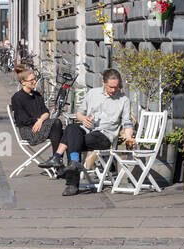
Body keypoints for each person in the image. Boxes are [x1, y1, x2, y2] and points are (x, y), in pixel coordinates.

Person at [59, 68, 136, 196]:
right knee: (72, 128)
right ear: (103, 82)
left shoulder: (123, 100)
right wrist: (83, 119)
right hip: (88, 130)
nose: (113, 90)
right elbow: (79, 113)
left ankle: (72, 182)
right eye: (110, 87)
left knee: (72, 139)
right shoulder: (92, 93)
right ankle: (74, 164)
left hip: (104, 136)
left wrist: (129, 138)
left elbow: (127, 122)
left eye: (116, 87)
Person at [9, 65, 68, 168]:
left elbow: (46, 113)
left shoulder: (37, 95)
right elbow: (23, 120)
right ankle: (57, 161)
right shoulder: (17, 98)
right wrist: (39, 120)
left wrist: (40, 120)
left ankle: (58, 162)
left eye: (35, 79)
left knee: (66, 133)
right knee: (56, 123)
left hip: (40, 126)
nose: (34, 81)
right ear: (23, 82)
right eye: (31, 80)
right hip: (29, 131)